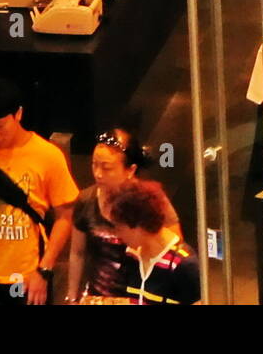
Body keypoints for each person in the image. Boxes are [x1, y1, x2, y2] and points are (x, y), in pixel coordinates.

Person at [0, 75, 78, 305]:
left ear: (18, 114)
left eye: (0, 126)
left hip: (30, 276)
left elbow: (64, 218)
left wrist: (45, 270)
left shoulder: (48, 155)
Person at [65, 128, 181, 303]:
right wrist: (72, 295)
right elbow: (77, 252)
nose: (98, 173)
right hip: (99, 296)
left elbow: (174, 248)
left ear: (130, 170)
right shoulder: (86, 200)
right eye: (94, 164)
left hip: (141, 296)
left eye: (106, 167)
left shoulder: (149, 201)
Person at [108, 179, 200, 306]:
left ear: (138, 226)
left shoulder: (183, 265)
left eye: (119, 228)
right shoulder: (132, 258)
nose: (117, 235)